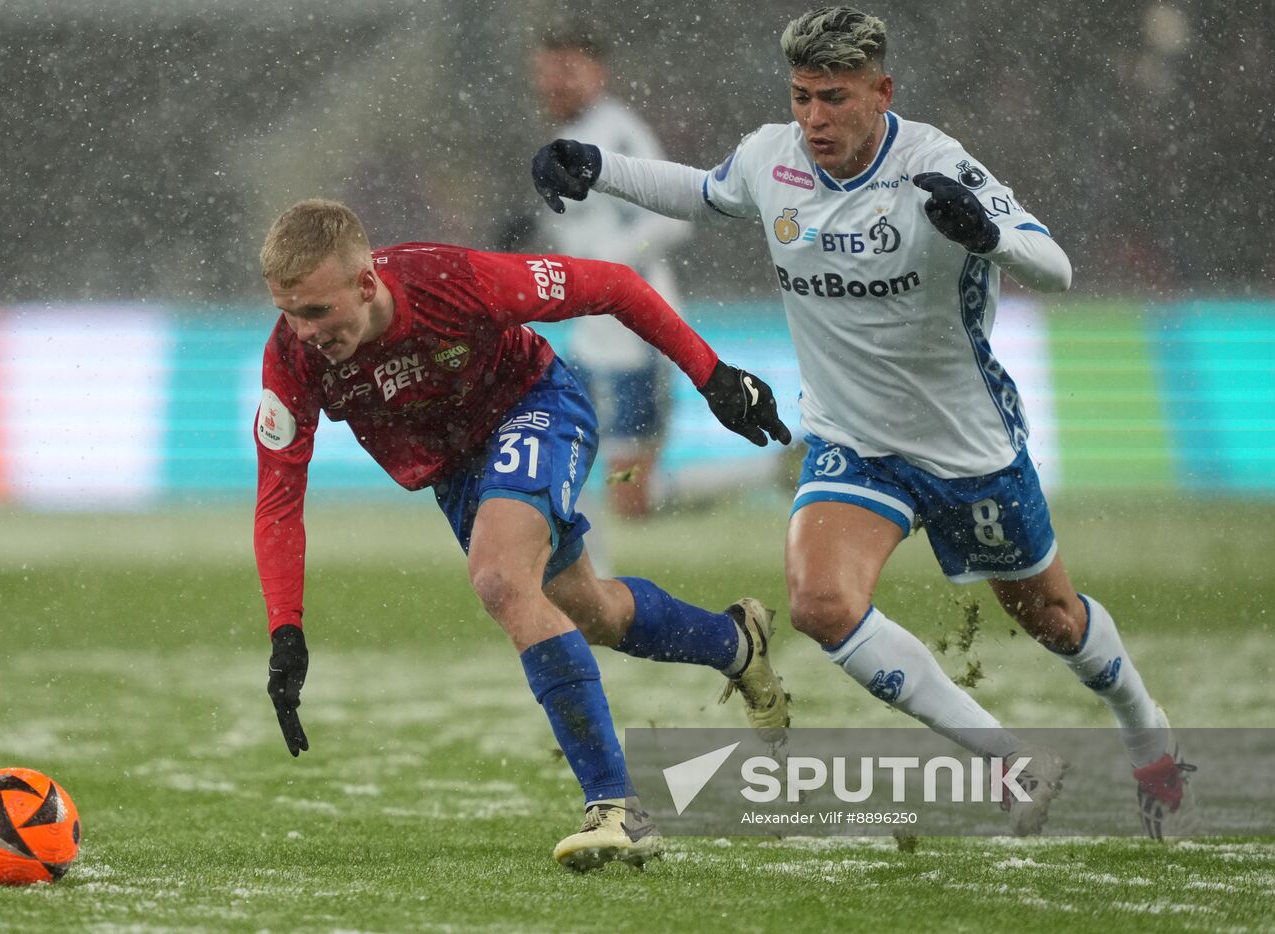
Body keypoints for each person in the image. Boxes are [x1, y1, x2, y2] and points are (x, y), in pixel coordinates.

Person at [532, 6, 1193, 839]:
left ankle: (1149, 736)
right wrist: (598, 169)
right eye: (802, 96)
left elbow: (1054, 267)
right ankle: (1010, 761)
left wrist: (989, 234)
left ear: (882, 92)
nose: (814, 118)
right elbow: (701, 192)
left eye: (835, 98)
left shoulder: (937, 165)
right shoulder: (773, 158)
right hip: (852, 441)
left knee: (1053, 620)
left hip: (965, 446)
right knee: (819, 603)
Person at [253, 199, 793, 871]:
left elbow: (615, 286)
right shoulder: (292, 358)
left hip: (535, 407)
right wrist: (286, 631)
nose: (303, 332)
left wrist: (711, 375)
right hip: (456, 470)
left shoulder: (452, 281)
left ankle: (617, 806)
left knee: (500, 578)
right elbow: (278, 501)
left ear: (365, 284)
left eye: (316, 311)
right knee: (594, 613)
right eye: (288, 312)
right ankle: (737, 642)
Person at [525, 28, 692, 520]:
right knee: (553, 460)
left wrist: (607, 270)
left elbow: (674, 218)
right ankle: (579, 561)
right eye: (546, 72)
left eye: (567, 70)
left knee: (631, 495)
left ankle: (762, 472)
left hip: (636, 329)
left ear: (598, 73)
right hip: (590, 330)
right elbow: (584, 228)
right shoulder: (565, 140)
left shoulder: (618, 134)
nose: (554, 83)